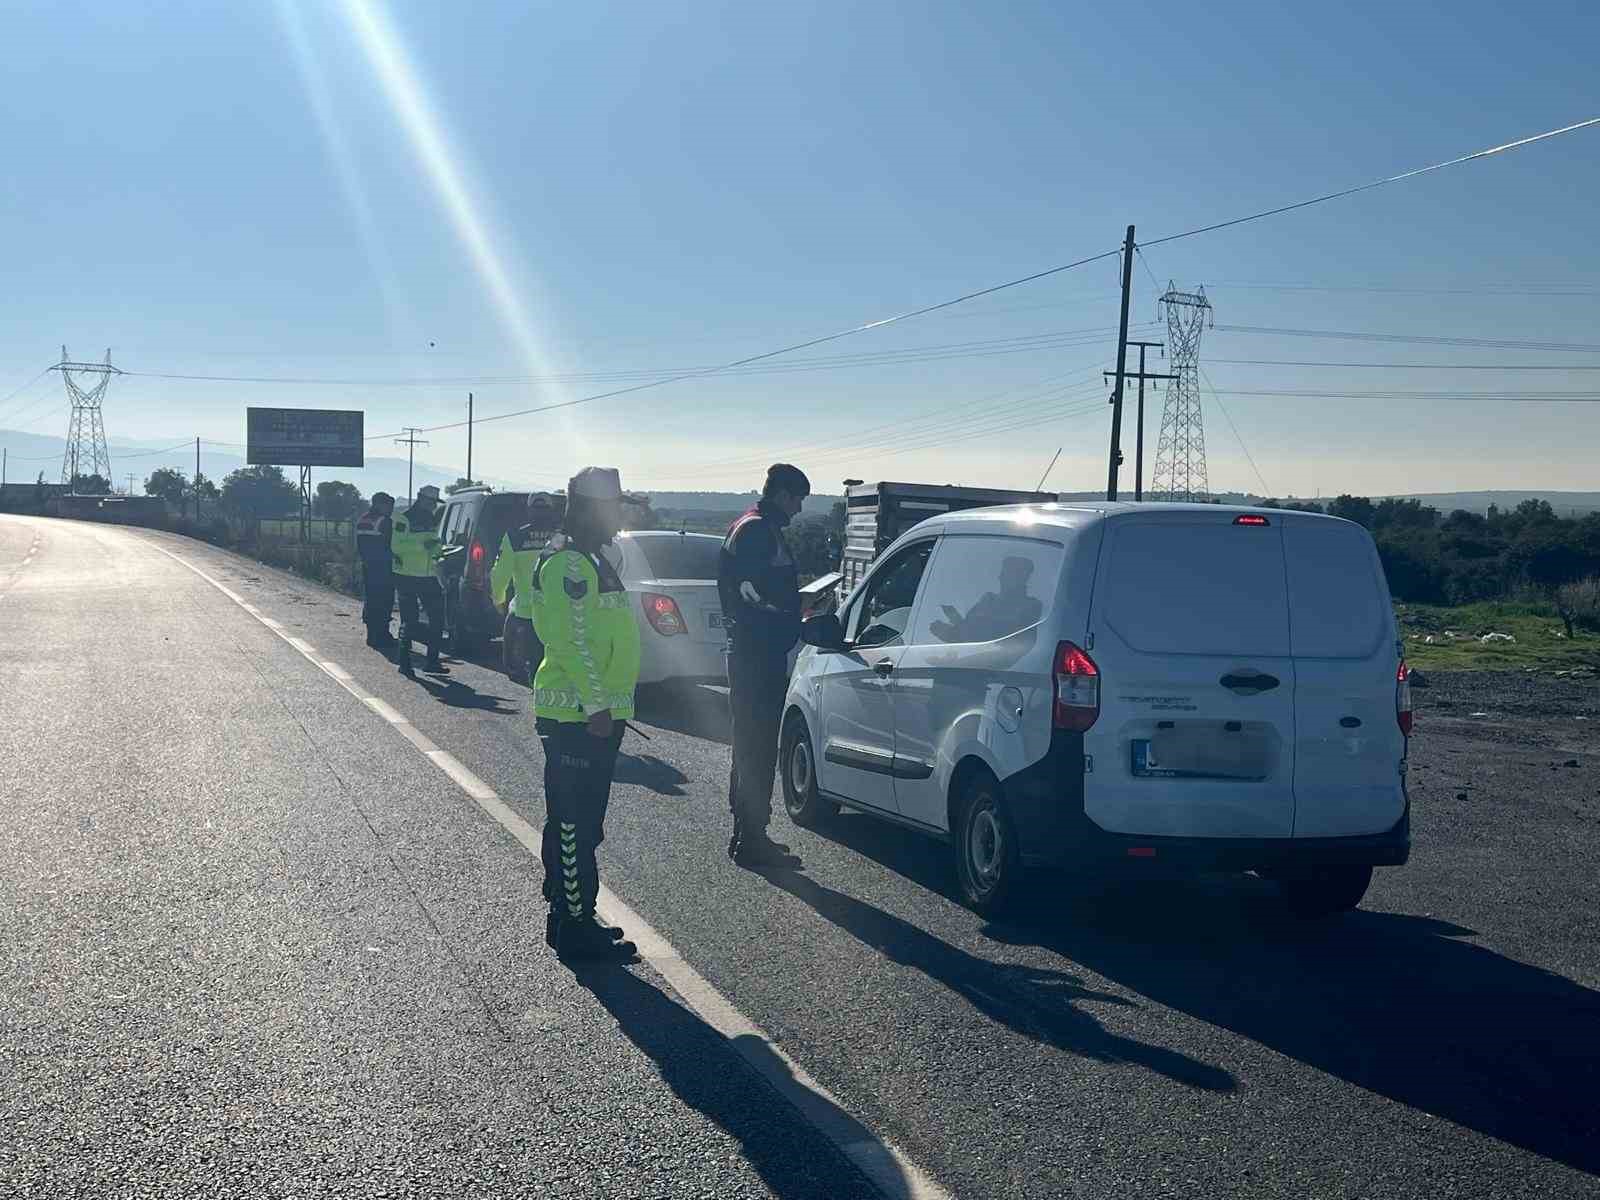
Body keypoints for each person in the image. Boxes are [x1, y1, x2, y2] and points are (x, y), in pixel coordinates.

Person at [530, 467, 641, 962]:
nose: (619, 516)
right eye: (613, 507)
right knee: (574, 823)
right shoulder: (570, 565)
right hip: (578, 713)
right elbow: (569, 642)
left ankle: (571, 912)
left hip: (593, 712)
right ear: (588, 510)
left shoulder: (592, 559)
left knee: (582, 824)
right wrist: (597, 704)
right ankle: (575, 926)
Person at [718, 462, 810, 868]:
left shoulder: (755, 525)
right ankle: (751, 837)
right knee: (756, 747)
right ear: (783, 495)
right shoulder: (757, 530)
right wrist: (793, 616)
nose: (800, 510)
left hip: (756, 652)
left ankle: (749, 833)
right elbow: (752, 598)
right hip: (757, 655)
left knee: (751, 746)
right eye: (798, 500)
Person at [491, 493, 560, 685]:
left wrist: (498, 599)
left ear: (529, 511)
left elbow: (500, 574)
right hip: (561, 612)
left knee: (536, 663)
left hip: (528, 613)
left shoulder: (515, 536)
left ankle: (542, 703)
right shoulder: (562, 537)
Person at [390, 483, 448, 678]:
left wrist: (438, 550)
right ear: (421, 498)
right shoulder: (403, 518)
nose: (434, 506)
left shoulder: (431, 519)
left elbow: (433, 543)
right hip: (406, 576)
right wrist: (422, 545)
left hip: (428, 576)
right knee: (410, 621)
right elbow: (396, 546)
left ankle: (432, 661)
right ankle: (404, 663)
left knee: (438, 618)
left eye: (435, 502)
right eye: (432, 502)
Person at [927, 555, 1043, 644]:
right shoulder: (988, 600)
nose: (1000, 577)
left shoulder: (1031, 607)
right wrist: (953, 624)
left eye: (1006, 574)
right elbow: (965, 632)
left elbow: (987, 637)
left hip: (995, 669)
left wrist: (953, 629)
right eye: (1002, 573)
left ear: (1022, 578)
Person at [353, 492, 396, 649]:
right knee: (384, 601)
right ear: (379, 504)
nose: (391, 509)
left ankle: (372, 635)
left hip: (368, 566)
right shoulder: (384, 522)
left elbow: (359, 544)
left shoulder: (363, 519)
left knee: (371, 600)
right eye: (389, 506)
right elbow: (392, 544)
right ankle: (382, 635)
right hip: (384, 567)